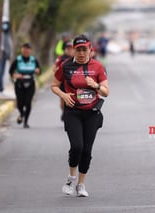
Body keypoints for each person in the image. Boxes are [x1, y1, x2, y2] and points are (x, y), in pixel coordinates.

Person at [51, 34, 109, 197]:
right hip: (73, 112)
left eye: (85, 50)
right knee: (77, 146)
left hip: (92, 114)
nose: (82, 53)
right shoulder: (65, 66)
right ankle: (71, 178)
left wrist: (95, 85)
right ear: (74, 51)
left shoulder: (98, 67)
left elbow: (106, 91)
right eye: (78, 50)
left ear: (90, 50)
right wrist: (63, 95)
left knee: (87, 151)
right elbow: (54, 85)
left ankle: (81, 185)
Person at [9, 43, 41, 128]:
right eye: (24, 49)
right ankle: (21, 114)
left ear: (30, 51)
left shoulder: (34, 60)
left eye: (27, 49)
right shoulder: (18, 60)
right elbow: (11, 71)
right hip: (19, 84)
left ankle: (26, 122)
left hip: (30, 83)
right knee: (20, 103)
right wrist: (15, 75)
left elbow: (39, 71)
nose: (26, 51)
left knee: (28, 102)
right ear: (22, 50)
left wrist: (38, 71)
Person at [53, 41, 74, 121]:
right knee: (63, 102)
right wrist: (61, 70)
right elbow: (54, 69)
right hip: (63, 83)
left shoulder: (76, 58)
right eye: (68, 49)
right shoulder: (60, 58)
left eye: (71, 49)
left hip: (73, 83)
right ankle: (64, 112)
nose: (69, 50)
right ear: (65, 49)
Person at [0, 21, 13, 96]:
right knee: (0, 72)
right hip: (0, 56)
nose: (5, 26)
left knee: (2, 72)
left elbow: (9, 46)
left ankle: (0, 88)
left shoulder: (8, 34)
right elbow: (2, 47)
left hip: (4, 57)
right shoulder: (1, 34)